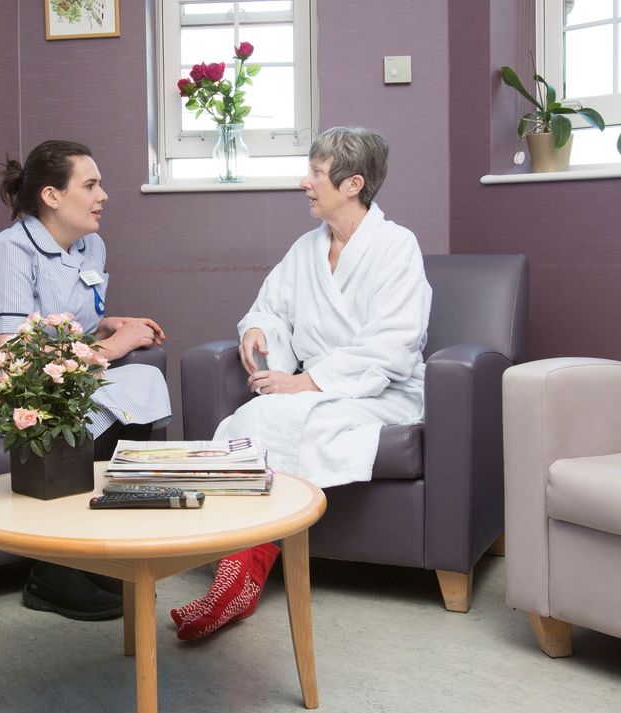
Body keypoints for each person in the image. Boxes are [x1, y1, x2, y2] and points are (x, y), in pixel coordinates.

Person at [170, 126, 431, 640]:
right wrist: (260, 331)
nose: (304, 183)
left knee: (282, 418)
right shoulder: (307, 249)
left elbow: (394, 345)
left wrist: (307, 382)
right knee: (247, 421)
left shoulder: (397, 247)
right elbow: (270, 307)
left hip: (381, 392)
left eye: (315, 173)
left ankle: (242, 577)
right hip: (315, 388)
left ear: (352, 183)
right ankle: (236, 567)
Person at [0, 139, 171, 620]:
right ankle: (53, 571)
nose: (103, 195)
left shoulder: (90, 246)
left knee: (143, 383)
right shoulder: (3, 253)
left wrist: (106, 327)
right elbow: (14, 356)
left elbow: (66, 322)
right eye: (90, 185)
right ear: (51, 196)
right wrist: (114, 347)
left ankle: (103, 551)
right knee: (77, 405)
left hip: (60, 371)